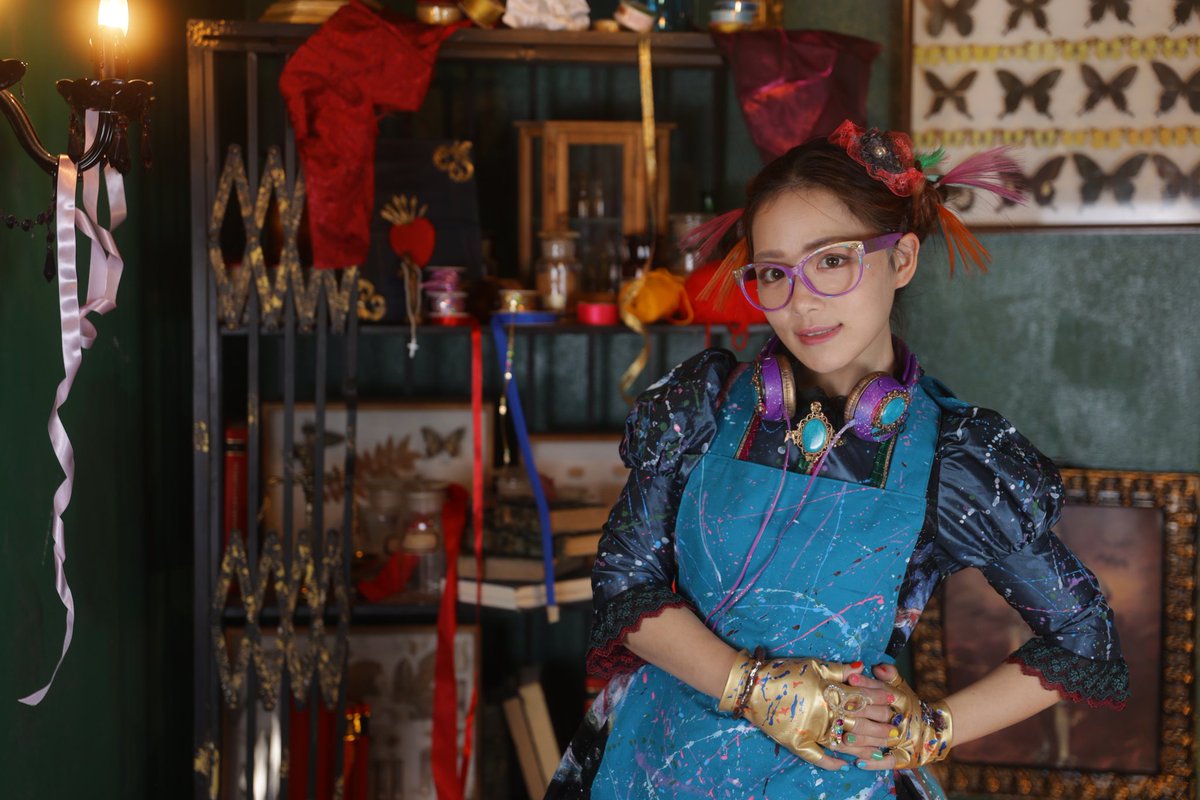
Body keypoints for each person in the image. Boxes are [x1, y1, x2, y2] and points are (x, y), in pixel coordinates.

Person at [543, 121, 1129, 800]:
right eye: (774, 273)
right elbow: (625, 581)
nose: (802, 302)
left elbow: (1082, 634)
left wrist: (927, 730)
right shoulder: (702, 408)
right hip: (653, 765)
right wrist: (754, 689)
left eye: (831, 261)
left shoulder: (953, 459)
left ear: (901, 259)